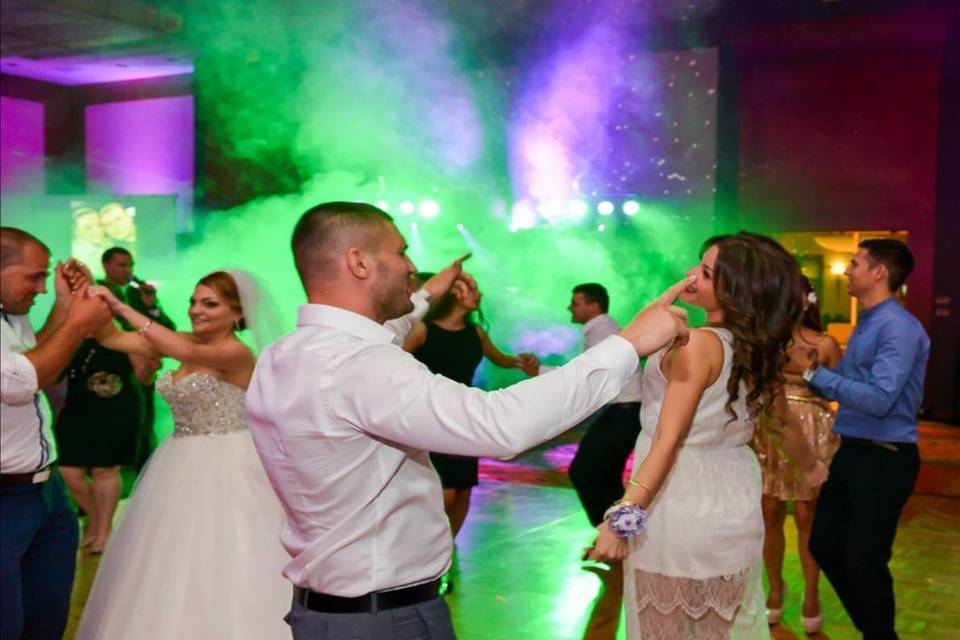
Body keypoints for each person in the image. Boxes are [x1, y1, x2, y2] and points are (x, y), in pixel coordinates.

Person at [245, 201, 692, 639]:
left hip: (329, 612)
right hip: (386, 621)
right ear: (359, 262)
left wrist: (429, 294)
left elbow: (385, 331)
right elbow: (500, 424)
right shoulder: (359, 366)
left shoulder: (286, 354)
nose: (410, 265)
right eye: (400, 251)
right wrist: (628, 345)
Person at [589, 232, 827, 639]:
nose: (690, 275)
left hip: (679, 496)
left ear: (736, 291)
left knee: (667, 625)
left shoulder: (698, 345)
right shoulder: (759, 346)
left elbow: (669, 439)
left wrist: (624, 518)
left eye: (706, 272)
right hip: (732, 494)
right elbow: (782, 422)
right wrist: (812, 468)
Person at [75, 270, 290, 640]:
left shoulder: (235, 351)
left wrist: (119, 304)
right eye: (193, 301)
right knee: (168, 558)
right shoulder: (179, 340)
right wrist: (87, 298)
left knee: (225, 552)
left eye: (209, 303)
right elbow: (110, 338)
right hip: (176, 462)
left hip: (229, 463)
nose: (195, 310)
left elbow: (184, 352)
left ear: (238, 314)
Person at [805, 239, 929, 639]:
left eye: (855, 263)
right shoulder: (870, 320)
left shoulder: (897, 326)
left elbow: (879, 399)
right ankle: (877, 633)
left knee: (865, 560)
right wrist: (813, 377)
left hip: (885, 457)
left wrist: (816, 377)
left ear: (879, 272)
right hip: (854, 450)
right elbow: (855, 386)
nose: (846, 270)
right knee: (824, 543)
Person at [1, 227, 111, 640]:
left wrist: (68, 307)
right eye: (34, 277)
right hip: (5, 497)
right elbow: (19, 382)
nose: (41, 288)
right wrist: (80, 325)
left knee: (45, 620)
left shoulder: (11, 316)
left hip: (45, 495)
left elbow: (43, 360)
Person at [403, 272, 537, 543]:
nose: (480, 294)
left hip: (464, 418)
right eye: (472, 288)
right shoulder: (422, 330)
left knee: (464, 489)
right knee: (446, 491)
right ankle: (427, 549)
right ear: (454, 291)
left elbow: (501, 359)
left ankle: (447, 550)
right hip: (430, 419)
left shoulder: (475, 332)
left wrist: (523, 363)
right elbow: (392, 363)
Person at [751, 276, 841, 633]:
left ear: (807, 300)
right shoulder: (765, 341)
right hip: (771, 427)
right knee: (769, 512)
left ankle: (812, 595)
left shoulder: (826, 343)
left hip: (812, 429)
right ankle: (774, 589)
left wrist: (810, 370)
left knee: (807, 516)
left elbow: (842, 391)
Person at [533, 283, 644, 544]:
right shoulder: (602, 329)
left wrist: (541, 373)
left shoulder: (601, 331)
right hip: (625, 411)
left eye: (576, 302)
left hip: (624, 411)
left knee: (584, 471)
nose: (570, 307)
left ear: (594, 306)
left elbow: (585, 377)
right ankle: (622, 534)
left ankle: (613, 534)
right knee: (605, 474)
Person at [99, 247, 176, 471]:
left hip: (143, 369)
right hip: (111, 369)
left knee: (143, 425)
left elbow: (168, 330)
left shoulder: (137, 294)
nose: (129, 270)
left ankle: (143, 475)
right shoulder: (97, 291)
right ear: (106, 265)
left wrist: (151, 306)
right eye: (122, 265)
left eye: (131, 265)